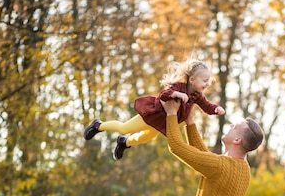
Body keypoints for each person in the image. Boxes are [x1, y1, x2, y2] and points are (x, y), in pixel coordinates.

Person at [83, 59, 225, 160]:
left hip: (162, 123)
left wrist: (216, 109)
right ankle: (98, 125)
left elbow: (207, 105)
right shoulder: (178, 86)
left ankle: (124, 142)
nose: (207, 84)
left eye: (208, 81)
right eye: (204, 80)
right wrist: (177, 94)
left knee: (144, 138)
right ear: (192, 80)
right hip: (152, 115)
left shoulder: (197, 96)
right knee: (124, 128)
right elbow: (163, 95)